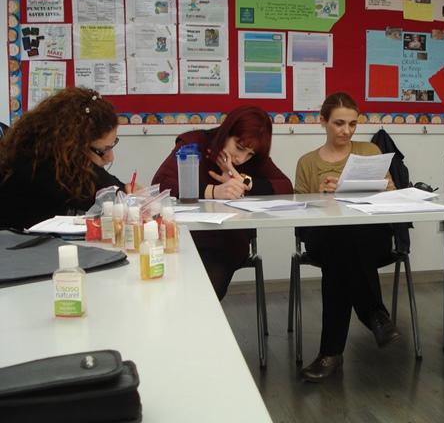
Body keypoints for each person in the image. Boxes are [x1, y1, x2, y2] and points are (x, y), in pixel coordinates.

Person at [294, 92, 401, 382]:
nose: (346, 131)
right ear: (322, 122)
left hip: (370, 236)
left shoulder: (369, 151)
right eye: (339, 123)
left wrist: (384, 188)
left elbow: (390, 194)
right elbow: (299, 212)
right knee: (340, 236)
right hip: (322, 235)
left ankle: (330, 355)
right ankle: (375, 314)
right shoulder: (307, 162)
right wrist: (320, 195)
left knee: (341, 252)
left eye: (352, 124)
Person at [152, 105, 293, 300]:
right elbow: (160, 184)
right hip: (184, 235)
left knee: (206, 291)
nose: (241, 158)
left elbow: (286, 186)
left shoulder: (253, 158)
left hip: (226, 238)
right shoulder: (194, 142)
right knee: (166, 288)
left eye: (250, 154)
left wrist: (243, 180)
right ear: (226, 132)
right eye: (239, 148)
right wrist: (212, 191)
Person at [0, 86, 141, 231]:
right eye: (104, 150)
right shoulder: (40, 165)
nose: (110, 157)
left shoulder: (48, 152)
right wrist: (127, 193)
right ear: (74, 146)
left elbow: (115, 191)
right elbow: (110, 197)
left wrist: (127, 191)